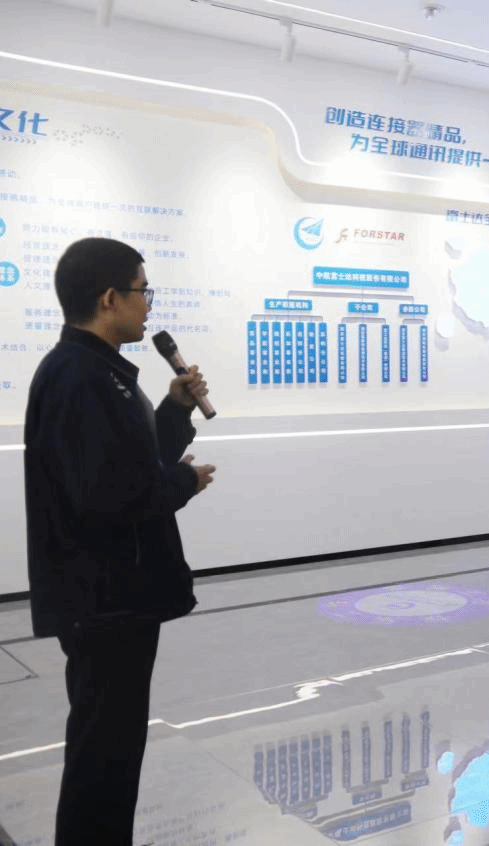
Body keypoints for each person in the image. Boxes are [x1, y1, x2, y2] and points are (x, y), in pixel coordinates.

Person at [25, 237, 216, 845]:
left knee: (111, 753)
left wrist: (174, 410)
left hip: (114, 597)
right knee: (102, 759)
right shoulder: (80, 378)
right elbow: (112, 497)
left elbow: (126, 465)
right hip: (105, 599)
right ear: (109, 298)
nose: (148, 304)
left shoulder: (100, 373)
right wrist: (183, 482)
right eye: (142, 291)